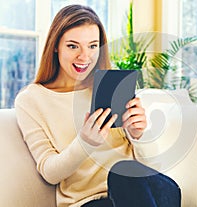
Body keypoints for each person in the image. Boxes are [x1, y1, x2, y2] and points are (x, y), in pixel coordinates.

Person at [14, 4, 181, 207]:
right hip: (92, 200)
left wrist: (138, 136)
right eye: (73, 46)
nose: (85, 57)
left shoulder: (111, 85)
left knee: (128, 174)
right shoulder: (32, 99)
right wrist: (85, 142)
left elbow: (150, 166)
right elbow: (49, 172)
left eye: (93, 46)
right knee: (122, 176)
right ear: (55, 45)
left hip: (146, 189)